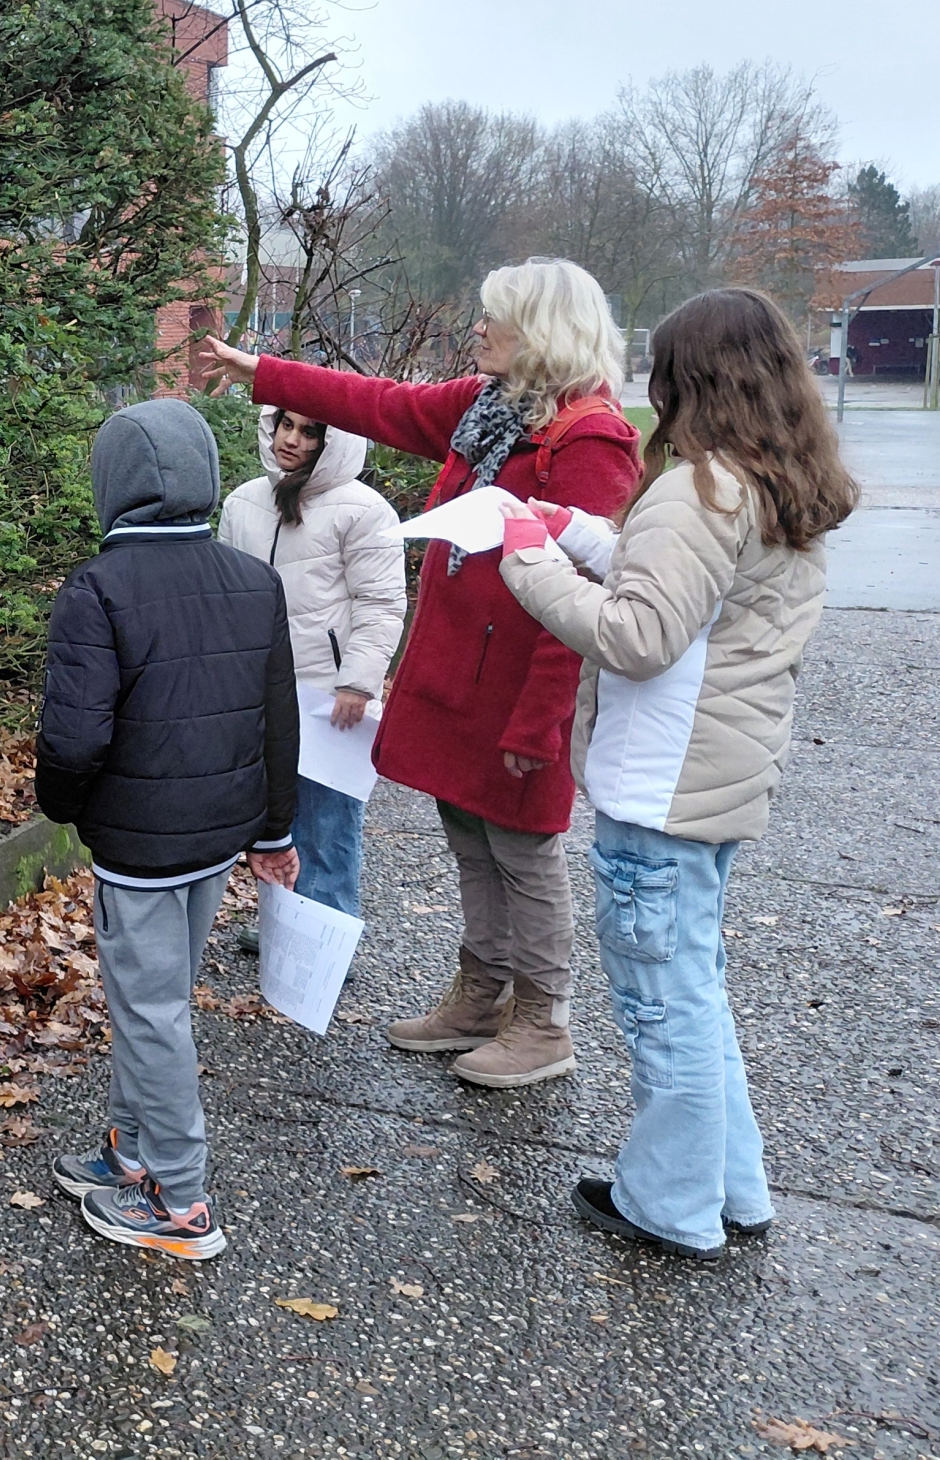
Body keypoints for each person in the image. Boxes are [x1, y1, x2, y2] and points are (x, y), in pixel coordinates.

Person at [200, 262, 641, 1089]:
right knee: (471, 840)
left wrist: (539, 722)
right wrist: (261, 370)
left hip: (515, 692)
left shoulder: (589, 440)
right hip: (456, 680)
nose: (476, 329)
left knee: (524, 854)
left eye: (491, 318)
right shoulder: (488, 408)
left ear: (540, 332)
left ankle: (542, 1020)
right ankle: (480, 996)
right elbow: (377, 402)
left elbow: (582, 602)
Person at [495, 287, 853, 1259]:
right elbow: (686, 588)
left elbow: (639, 634)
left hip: (662, 789)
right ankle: (732, 1188)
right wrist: (572, 532)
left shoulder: (698, 489)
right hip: (719, 784)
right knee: (694, 991)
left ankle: (669, 1205)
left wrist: (530, 566)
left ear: (687, 379)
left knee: (663, 1009)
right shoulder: (771, 482)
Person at [37, 398, 300, 1261]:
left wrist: (64, 806)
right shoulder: (252, 579)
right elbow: (279, 715)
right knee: (156, 1001)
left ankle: (182, 1200)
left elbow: (73, 739)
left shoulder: (97, 589)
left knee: (151, 1011)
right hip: (216, 835)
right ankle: (131, 1148)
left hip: (140, 842)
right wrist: (273, 830)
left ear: (111, 483)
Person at [217, 407, 406, 924]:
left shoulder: (364, 510)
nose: (292, 439)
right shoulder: (243, 502)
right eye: (286, 425)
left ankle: (323, 943)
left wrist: (358, 682)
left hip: (327, 697)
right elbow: (226, 598)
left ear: (332, 441)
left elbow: (380, 603)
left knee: (326, 829)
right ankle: (282, 932)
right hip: (259, 695)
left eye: (310, 432)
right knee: (272, 827)